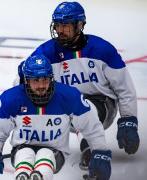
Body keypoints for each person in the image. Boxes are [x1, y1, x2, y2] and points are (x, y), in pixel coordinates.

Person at [14, 1, 139, 169]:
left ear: (79, 24)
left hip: (101, 104)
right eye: (57, 25)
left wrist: (128, 119)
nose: (60, 30)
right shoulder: (45, 53)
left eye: (65, 25)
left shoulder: (103, 49)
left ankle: (91, 150)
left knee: (83, 107)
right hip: (66, 107)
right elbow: (23, 83)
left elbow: (124, 87)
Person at [0, 54, 111, 180]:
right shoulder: (10, 99)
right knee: (25, 153)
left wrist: (101, 153)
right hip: (21, 149)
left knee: (46, 154)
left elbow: (91, 127)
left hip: (56, 152)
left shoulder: (70, 96)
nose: (41, 85)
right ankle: (22, 179)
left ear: (52, 78)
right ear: (26, 80)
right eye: (35, 80)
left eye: (45, 79)